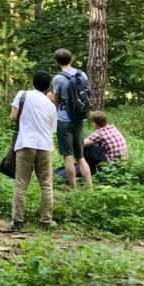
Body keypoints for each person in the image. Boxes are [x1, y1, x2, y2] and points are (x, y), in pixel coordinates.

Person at [9, 70, 57, 231]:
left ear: (33, 82)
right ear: (48, 86)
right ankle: (46, 221)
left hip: (25, 143)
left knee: (21, 183)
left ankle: (17, 221)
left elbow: (13, 116)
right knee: (46, 184)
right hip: (45, 146)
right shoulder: (51, 105)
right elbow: (52, 129)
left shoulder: (23, 95)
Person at [49, 48, 92, 189]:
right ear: (71, 59)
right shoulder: (82, 74)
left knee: (68, 156)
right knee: (80, 157)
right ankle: (89, 187)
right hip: (80, 118)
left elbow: (56, 101)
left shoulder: (58, 78)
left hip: (64, 120)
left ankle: (73, 189)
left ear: (56, 61)